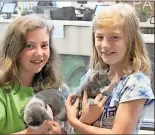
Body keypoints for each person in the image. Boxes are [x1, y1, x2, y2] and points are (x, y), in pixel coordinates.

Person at [65, 3, 154, 134]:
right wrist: (84, 119)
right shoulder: (93, 74)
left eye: (114, 37)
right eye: (100, 37)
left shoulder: (135, 83)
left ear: (131, 40)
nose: (105, 45)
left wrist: (75, 121)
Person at [0, 14, 64, 134]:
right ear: (14, 50)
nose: (39, 53)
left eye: (44, 46)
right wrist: (31, 133)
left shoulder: (50, 85)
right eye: (30, 46)